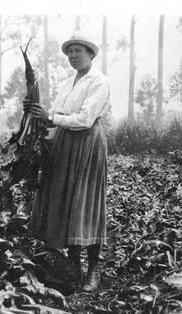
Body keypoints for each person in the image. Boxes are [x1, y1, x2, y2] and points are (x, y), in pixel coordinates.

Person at [24, 33, 110, 292]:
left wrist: (51, 117)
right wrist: (38, 113)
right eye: (70, 52)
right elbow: (58, 114)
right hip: (65, 143)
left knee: (87, 202)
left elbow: (84, 119)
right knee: (68, 202)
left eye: (78, 51)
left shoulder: (98, 81)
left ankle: (94, 269)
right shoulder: (69, 82)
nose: (73, 56)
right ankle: (74, 267)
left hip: (87, 143)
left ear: (90, 54)